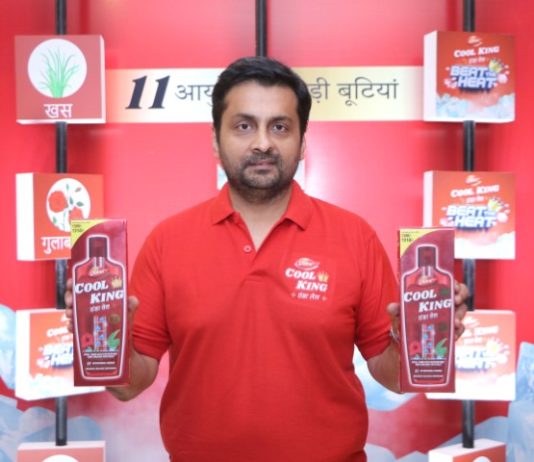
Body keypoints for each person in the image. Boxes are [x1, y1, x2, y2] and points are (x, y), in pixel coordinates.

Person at [65, 56, 468, 462]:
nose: (262, 143)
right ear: (215, 139)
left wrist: (426, 343)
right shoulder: (167, 241)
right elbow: (130, 385)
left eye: (280, 127)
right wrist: (100, 341)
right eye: (244, 126)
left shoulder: (354, 237)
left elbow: (392, 376)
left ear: (303, 141)